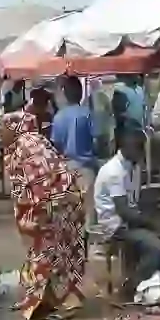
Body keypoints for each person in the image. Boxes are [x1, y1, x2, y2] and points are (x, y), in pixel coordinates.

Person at [0, 109, 87, 320]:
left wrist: (34, 214)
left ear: (15, 127)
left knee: (53, 256)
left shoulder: (25, 146)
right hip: (58, 205)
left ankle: (66, 302)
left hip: (55, 207)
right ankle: (40, 297)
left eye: (3, 128)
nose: (0, 133)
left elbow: (41, 181)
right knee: (47, 255)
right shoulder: (32, 142)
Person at [94, 125, 160, 296]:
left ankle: (149, 282)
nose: (142, 153)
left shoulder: (130, 166)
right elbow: (124, 211)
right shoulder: (115, 171)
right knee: (159, 248)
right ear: (126, 148)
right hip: (115, 226)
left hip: (126, 222)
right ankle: (132, 286)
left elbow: (134, 201)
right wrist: (151, 222)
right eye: (139, 148)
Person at [51, 76, 98, 222]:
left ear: (65, 94)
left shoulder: (59, 117)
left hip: (66, 168)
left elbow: (56, 145)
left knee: (69, 214)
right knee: (90, 214)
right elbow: (97, 140)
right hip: (87, 169)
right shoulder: (88, 113)